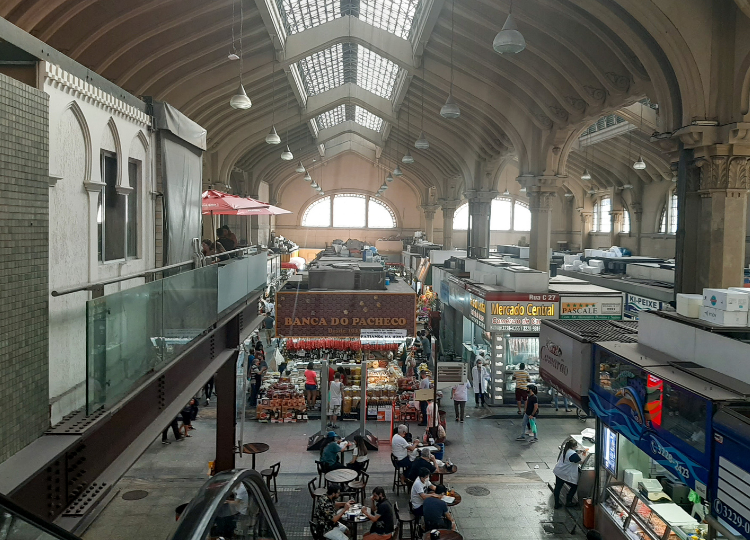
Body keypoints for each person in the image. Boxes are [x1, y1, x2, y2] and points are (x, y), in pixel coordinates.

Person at [553, 439, 588, 508]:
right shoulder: (572, 454)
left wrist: (578, 452)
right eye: (576, 446)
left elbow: (573, 453)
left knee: (557, 488)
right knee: (574, 486)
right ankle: (568, 501)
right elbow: (581, 462)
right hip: (564, 473)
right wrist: (584, 455)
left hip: (559, 471)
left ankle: (556, 503)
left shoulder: (566, 450)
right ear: (573, 447)